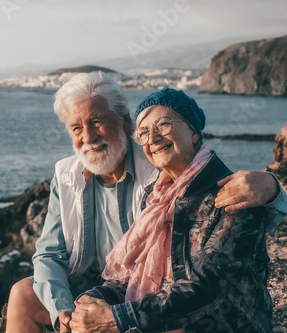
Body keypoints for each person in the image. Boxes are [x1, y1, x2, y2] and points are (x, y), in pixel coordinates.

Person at [6, 72, 285, 333]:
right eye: (77, 127)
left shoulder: (168, 174)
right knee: (23, 293)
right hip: (123, 291)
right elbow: (52, 255)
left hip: (188, 311)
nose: (88, 137)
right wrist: (71, 310)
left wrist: (273, 189)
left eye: (97, 122)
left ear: (124, 123)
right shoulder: (158, 192)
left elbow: (205, 285)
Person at [71, 88, 273, 332]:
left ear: (194, 132)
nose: (153, 138)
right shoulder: (157, 197)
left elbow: (206, 287)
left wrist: (118, 318)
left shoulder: (234, 195)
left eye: (163, 125)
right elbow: (133, 277)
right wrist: (92, 301)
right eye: (143, 133)